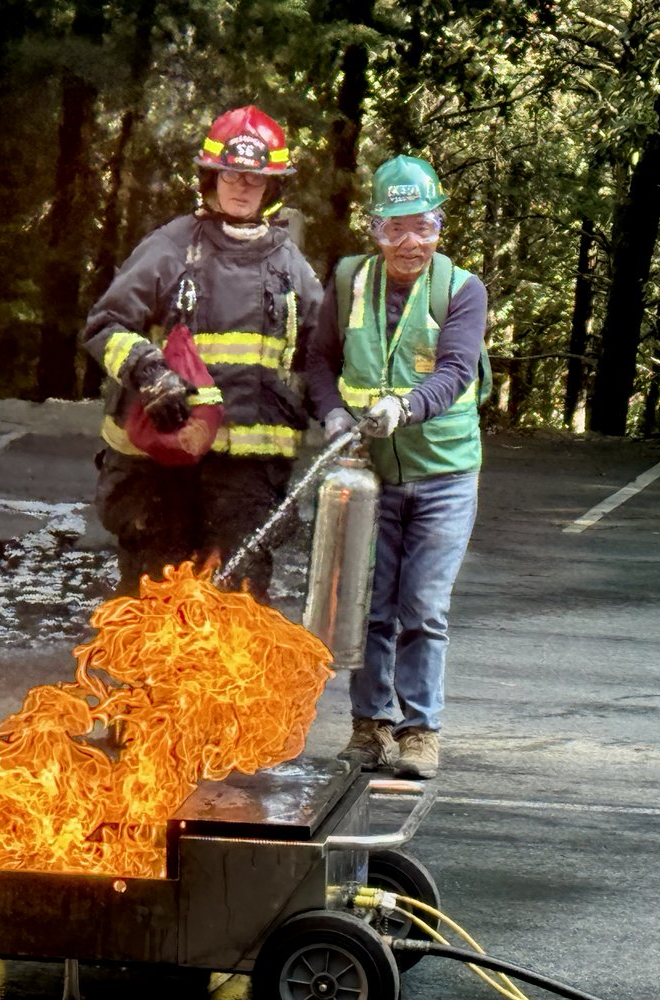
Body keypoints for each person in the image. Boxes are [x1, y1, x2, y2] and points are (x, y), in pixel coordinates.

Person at [83, 105, 323, 603]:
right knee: (153, 611)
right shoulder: (169, 248)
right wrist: (149, 372)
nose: (241, 187)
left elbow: (320, 357)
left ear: (272, 188)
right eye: (231, 175)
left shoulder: (291, 268)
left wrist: (344, 415)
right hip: (160, 465)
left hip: (247, 476)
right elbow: (105, 326)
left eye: (255, 179)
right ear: (210, 177)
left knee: (235, 615)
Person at [304, 154, 489, 779]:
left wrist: (405, 406)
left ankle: (420, 732)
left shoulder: (462, 289)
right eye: (395, 228)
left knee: (424, 607)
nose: (410, 243)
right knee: (368, 603)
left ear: (440, 227)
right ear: (375, 229)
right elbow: (319, 361)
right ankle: (369, 727)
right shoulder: (351, 282)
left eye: (425, 227)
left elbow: (456, 371)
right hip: (370, 474)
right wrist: (330, 414)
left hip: (444, 474)